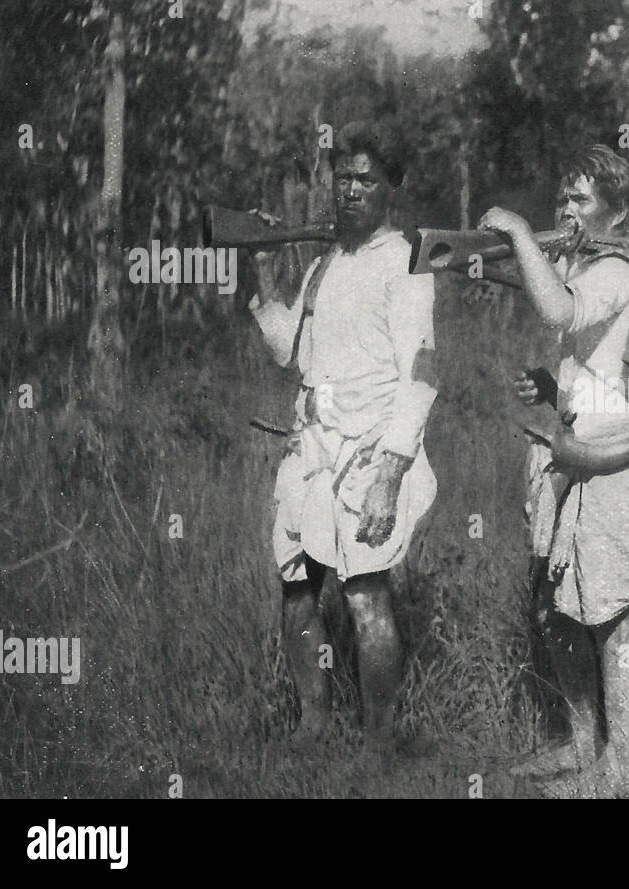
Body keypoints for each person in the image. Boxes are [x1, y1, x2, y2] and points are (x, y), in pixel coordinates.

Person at [479, 145, 629, 798]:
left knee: (613, 616)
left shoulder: (616, 270)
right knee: (556, 610)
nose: (567, 210)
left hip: (617, 468)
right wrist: (554, 386)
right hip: (570, 454)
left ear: (617, 211)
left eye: (582, 200)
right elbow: (595, 362)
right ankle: (581, 746)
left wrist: (517, 233)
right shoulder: (585, 267)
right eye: (562, 199)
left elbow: (559, 311)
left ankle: (619, 769)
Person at [248, 120, 437, 753]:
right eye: (343, 177)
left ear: (393, 188)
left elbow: (422, 375)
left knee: (364, 597)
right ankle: (312, 726)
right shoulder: (326, 261)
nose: (351, 189)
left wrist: (390, 473)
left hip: (372, 450)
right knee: (297, 588)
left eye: (367, 179)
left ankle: (379, 746)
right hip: (314, 448)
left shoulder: (406, 263)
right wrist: (268, 275)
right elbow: (287, 351)